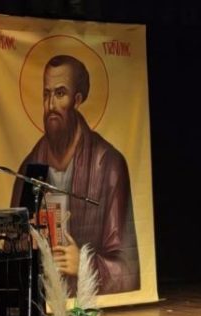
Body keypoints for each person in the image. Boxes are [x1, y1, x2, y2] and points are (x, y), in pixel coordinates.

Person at [11, 54, 140, 295]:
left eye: (60, 93)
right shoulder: (30, 168)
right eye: (46, 94)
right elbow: (16, 248)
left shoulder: (108, 164)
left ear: (77, 99)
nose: (51, 105)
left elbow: (128, 269)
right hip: (44, 302)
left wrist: (84, 263)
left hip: (91, 304)